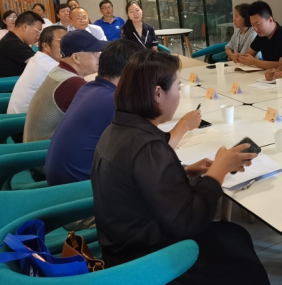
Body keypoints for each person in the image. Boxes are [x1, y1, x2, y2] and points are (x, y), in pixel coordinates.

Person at [91, 50, 282, 285]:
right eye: (178, 87)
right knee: (243, 269)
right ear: (158, 94)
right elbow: (188, 223)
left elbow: (140, 181)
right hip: (147, 262)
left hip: (125, 246)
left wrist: (184, 171)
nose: (179, 94)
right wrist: (218, 172)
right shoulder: (147, 145)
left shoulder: (121, 129)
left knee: (234, 237)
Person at [46, 41, 203, 185]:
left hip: (61, 177)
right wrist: (184, 126)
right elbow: (153, 153)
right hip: (83, 187)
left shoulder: (89, 88)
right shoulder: (114, 101)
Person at [23, 30, 107, 143]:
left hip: (37, 144)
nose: (99, 57)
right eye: (94, 53)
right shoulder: (72, 83)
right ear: (76, 57)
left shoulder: (59, 71)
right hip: (43, 149)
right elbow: (99, 117)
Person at [7, 25, 67, 114]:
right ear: (46, 46)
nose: (69, 46)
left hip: (24, 116)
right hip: (23, 119)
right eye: (62, 41)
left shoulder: (39, 59)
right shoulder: (50, 67)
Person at [235, 0, 282, 69]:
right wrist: (239, 57)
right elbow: (248, 55)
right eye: (253, 25)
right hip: (267, 74)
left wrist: (255, 62)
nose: (255, 29)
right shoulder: (261, 35)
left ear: (270, 20)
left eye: (258, 24)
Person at [0, 11, 44, 78]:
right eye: (38, 31)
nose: (38, 36)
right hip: (11, 83)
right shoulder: (12, 43)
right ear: (25, 27)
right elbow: (41, 65)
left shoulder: (13, 39)